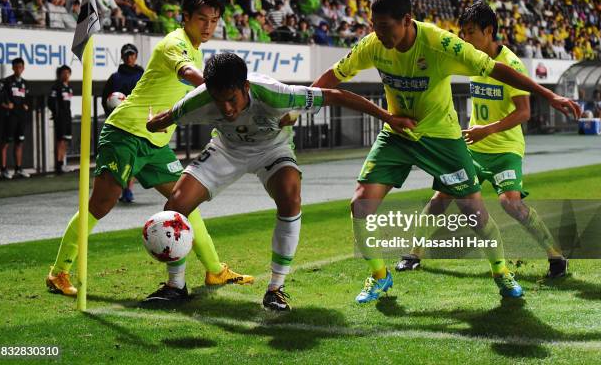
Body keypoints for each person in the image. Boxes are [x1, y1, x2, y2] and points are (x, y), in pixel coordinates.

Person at [309, 0, 579, 303]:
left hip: (444, 138)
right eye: (375, 25)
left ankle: (503, 273)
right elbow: (333, 76)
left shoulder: (439, 43)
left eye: (386, 27)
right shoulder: (372, 45)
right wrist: (298, 103)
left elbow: (498, 70)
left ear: (407, 20)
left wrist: (549, 95)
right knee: (360, 205)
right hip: (398, 132)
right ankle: (381, 275)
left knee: (477, 214)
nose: (379, 33)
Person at [146, 52, 416, 309]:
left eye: (232, 99)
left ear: (246, 87)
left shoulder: (275, 94)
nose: (226, 109)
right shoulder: (199, 99)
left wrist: (388, 117)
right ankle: (175, 286)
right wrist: (151, 122)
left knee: (290, 195)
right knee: (175, 206)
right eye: (219, 101)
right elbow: (160, 120)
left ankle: (275, 289)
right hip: (226, 151)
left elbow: (337, 96)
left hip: (272, 150)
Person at [46, 0, 253, 300]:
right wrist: (223, 86)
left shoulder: (198, 49)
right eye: (202, 19)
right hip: (126, 132)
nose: (208, 26)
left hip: (156, 143)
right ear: (185, 17)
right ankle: (58, 272)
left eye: (213, 20)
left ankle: (214, 269)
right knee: (101, 204)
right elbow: (187, 73)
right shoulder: (175, 43)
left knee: (185, 201)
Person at [397, 2, 568, 278]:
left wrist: (487, 130)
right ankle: (413, 255)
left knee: (510, 203)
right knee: (441, 197)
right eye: (462, 32)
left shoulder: (511, 64)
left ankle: (556, 257)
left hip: (505, 149)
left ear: (489, 31)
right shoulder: (468, 59)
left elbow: (524, 112)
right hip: (473, 148)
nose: (465, 38)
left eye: (470, 32)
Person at [102, 43, 145, 202]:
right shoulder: (115, 77)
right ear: (122, 57)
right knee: (119, 157)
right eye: (126, 55)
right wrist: (111, 114)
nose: (129, 58)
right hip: (118, 122)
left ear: (136, 56)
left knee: (132, 156)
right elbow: (105, 99)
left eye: (132, 54)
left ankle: (128, 189)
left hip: (136, 121)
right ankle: (120, 188)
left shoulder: (142, 75)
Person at [0, 58, 31, 179]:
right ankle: (3, 170)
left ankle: (18, 169)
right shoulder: (7, 81)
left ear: (23, 68)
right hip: (10, 117)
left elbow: (27, 98)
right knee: (6, 143)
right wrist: (6, 105)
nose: (18, 69)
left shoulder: (25, 83)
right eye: (16, 67)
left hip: (21, 117)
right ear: (13, 68)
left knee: (19, 143)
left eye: (20, 67)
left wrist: (26, 105)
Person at [48, 65, 74, 174]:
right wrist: (56, 113)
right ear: (60, 74)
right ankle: (58, 166)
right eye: (64, 73)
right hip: (60, 118)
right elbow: (51, 101)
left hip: (68, 117)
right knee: (60, 141)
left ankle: (62, 163)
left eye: (68, 73)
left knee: (66, 141)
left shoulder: (69, 87)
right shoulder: (56, 86)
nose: (66, 75)